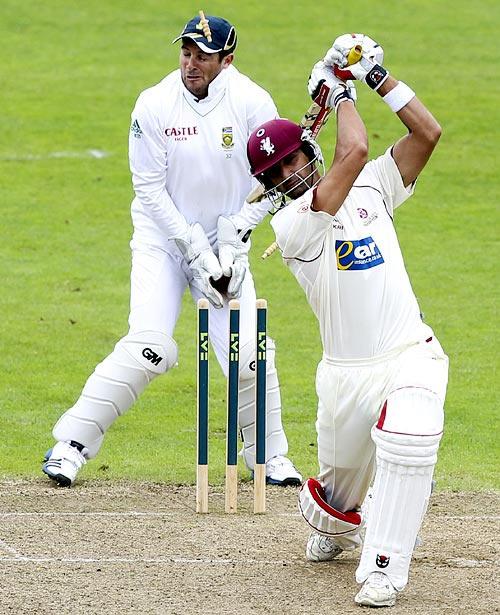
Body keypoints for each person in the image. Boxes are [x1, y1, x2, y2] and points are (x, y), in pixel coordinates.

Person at [42, 13, 301, 488]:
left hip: (225, 243)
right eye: (186, 52)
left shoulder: (252, 101)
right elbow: (148, 188)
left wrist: (235, 244)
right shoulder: (155, 103)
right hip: (164, 241)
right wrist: (195, 251)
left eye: (203, 55)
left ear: (228, 58)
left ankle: (269, 456)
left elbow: (274, 176)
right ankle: (70, 445)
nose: (191, 63)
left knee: (249, 355)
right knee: (150, 347)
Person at [246, 33, 448, 608]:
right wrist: (339, 91)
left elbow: (426, 134)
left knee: (409, 441)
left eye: (292, 159)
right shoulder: (292, 228)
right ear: (269, 186)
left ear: (307, 152)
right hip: (344, 377)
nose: (288, 173)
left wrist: (376, 77)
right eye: (275, 171)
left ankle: (383, 567)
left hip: (409, 351)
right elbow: (353, 151)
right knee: (338, 497)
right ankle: (335, 523)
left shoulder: (374, 188)